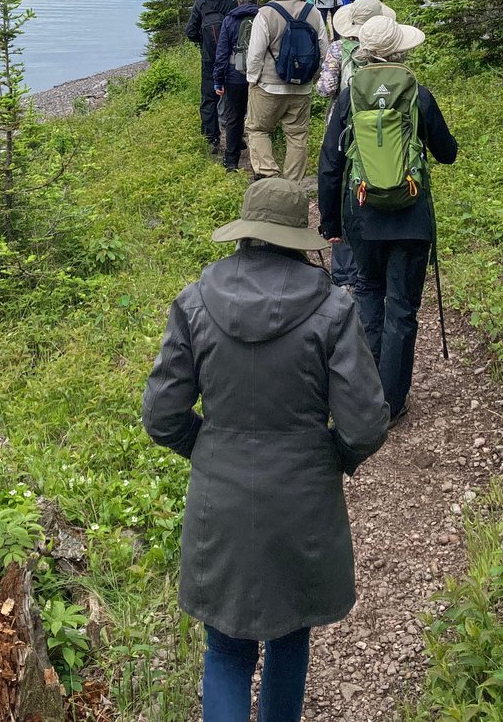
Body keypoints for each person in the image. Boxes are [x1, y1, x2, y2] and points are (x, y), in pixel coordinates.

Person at [142, 179, 389, 722]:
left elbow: (161, 415)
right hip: (301, 500)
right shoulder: (331, 306)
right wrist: (331, 457)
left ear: (246, 234)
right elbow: (367, 421)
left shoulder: (195, 300)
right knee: (289, 636)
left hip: (220, 501)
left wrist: (207, 446)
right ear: (296, 238)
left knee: (226, 649)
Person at [318, 14, 458, 422]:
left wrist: (331, 224)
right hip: (412, 217)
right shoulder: (418, 94)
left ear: (362, 49)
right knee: (401, 308)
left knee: (367, 293)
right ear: (399, 49)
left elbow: (330, 163)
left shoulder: (348, 96)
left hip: (362, 214)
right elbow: (447, 152)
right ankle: (392, 404)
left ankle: (361, 397)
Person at [315, 0, 394, 292]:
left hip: (344, 123)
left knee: (343, 184)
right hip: (383, 129)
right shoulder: (389, 49)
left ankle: (346, 273)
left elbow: (326, 89)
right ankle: (380, 258)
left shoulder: (338, 48)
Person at [245, 0, 328, 182]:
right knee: (297, 136)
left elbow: (255, 54)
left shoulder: (266, 12)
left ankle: (268, 176)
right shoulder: (314, 12)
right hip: (302, 88)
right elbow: (324, 52)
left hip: (268, 86)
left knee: (258, 130)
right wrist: (312, 77)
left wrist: (252, 80)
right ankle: (293, 185)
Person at [186, 0, 237, 152]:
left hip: (209, 57)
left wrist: (203, 42)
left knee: (208, 98)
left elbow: (190, 31)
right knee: (234, 97)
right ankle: (235, 137)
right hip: (232, 57)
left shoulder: (201, 1)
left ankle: (211, 138)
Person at [212, 0, 260, 172]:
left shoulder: (230, 20)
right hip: (259, 76)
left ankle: (231, 161)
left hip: (234, 76)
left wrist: (218, 80)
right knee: (258, 121)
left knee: (234, 117)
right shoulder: (264, 17)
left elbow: (222, 53)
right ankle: (260, 164)